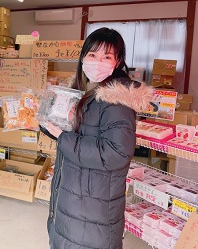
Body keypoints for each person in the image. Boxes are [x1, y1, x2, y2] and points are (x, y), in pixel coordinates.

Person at [45, 27, 153, 248]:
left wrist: (63, 137)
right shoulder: (87, 91)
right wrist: (47, 120)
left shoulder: (118, 99)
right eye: (92, 55)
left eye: (107, 56)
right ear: (83, 57)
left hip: (92, 212)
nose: (97, 61)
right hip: (75, 201)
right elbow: (75, 132)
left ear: (118, 61)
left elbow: (115, 153)